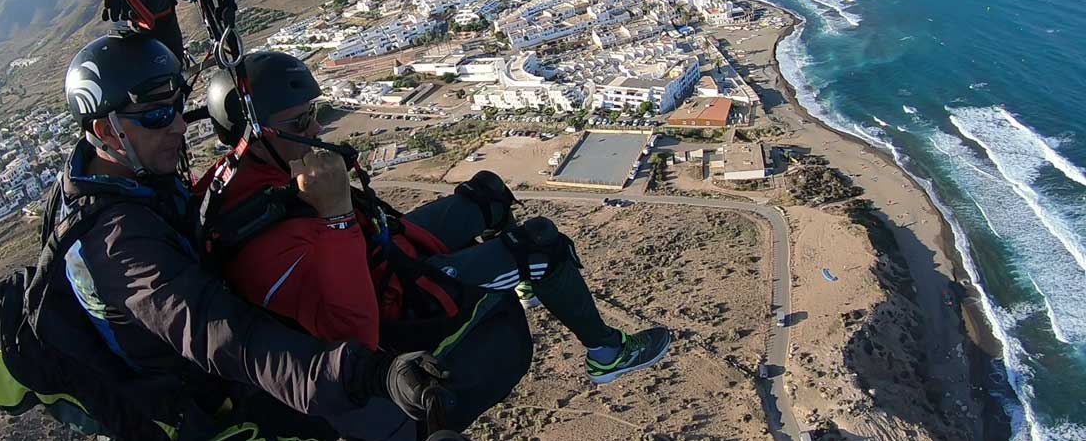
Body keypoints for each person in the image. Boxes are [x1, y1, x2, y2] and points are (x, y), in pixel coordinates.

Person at [198, 52, 672, 427]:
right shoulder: (260, 240)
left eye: (315, 115)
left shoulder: (249, 174)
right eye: (302, 122)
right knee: (540, 246)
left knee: (486, 195)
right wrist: (338, 216)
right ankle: (607, 352)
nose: (318, 130)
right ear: (253, 133)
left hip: (377, 254)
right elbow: (355, 334)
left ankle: (521, 282)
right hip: (393, 301)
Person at [48, 32, 446, 441]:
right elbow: (226, 338)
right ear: (105, 130)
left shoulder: (112, 175)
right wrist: (371, 373)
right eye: (157, 116)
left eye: (178, 108)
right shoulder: (118, 248)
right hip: (206, 401)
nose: (180, 126)